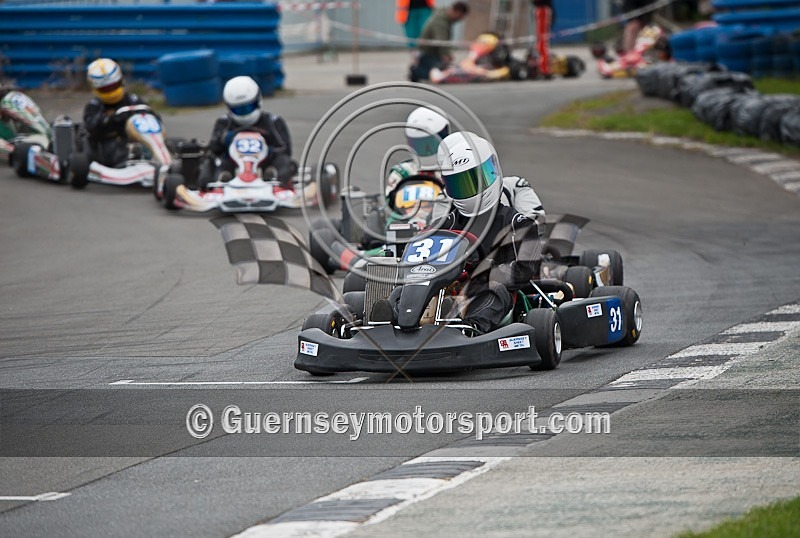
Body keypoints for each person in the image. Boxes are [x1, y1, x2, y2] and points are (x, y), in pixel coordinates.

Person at [378, 132, 545, 334]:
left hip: (488, 295)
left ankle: (470, 328)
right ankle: (389, 323)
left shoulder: (518, 224)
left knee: (494, 290)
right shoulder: (445, 224)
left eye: (473, 182)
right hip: (444, 292)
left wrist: (483, 270)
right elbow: (419, 255)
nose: (467, 190)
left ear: (492, 171)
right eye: (459, 184)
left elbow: (524, 271)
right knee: (399, 291)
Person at [388, 106, 545, 221]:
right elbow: (436, 234)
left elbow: (535, 226)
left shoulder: (514, 187)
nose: (468, 188)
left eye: (474, 176)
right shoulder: (442, 198)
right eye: (459, 183)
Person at [199, 76, 294, 187]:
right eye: (238, 110)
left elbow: (285, 150)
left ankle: (278, 184)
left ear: (258, 101)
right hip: (232, 166)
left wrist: (269, 150)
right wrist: (225, 139)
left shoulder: (273, 121)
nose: (244, 113)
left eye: (249, 107)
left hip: (266, 164)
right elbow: (213, 151)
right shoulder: (223, 123)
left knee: (284, 162)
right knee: (213, 163)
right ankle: (220, 182)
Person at [83, 58, 147, 167]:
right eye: (105, 89)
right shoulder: (95, 105)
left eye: (113, 86)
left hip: (138, 141)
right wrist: (113, 119)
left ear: (121, 81)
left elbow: (153, 117)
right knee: (115, 144)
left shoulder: (133, 100)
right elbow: (92, 128)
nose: (111, 92)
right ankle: (127, 162)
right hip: (109, 149)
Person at [413, 1, 470, 81]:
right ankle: (417, 71)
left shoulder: (444, 17)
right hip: (428, 53)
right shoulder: (441, 22)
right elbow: (441, 42)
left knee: (442, 69)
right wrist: (446, 55)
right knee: (436, 73)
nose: (460, 19)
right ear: (456, 12)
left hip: (432, 53)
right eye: (460, 16)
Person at [531, 0, 554, 79]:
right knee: (540, 42)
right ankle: (542, 67)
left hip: (542, 9)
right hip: (541, 9)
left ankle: (544, 69)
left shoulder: (543, 10)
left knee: (542, 42)